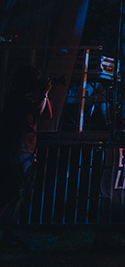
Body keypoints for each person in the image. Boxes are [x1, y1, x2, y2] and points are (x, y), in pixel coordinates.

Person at [0, 66, 51, 244]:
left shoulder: (22, 96)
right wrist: (44, 92)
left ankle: (8, 231)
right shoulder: (18, 97)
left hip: (24, 149)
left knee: (16, 193)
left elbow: (47, 114)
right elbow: (38, 111)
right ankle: (6, 230)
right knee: (11, 192)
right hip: (18, 150)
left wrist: (45, 95)